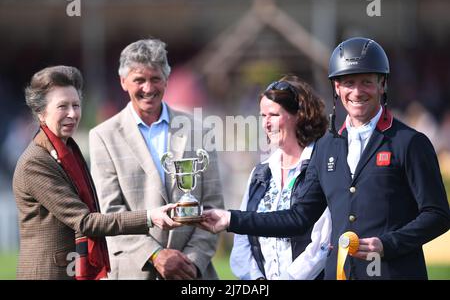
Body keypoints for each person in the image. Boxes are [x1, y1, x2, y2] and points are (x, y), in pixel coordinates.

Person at [199, 37, 450, 279]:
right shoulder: (326, 146)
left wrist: (387, 244)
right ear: (337, 88)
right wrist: (231, 219)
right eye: (349, 83)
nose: (357, 91)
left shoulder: (410, 142)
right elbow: (298, 217)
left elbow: (437, 215)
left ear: (382, 84)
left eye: (367, 82)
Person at [13, 65, 181, 280]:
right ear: (41, 112)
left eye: (76, 105)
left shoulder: (68, 151)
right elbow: (85, 222)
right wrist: (150, 217)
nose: (72, 114)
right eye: (62, 106)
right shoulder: (36, 162)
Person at [89, 38, 224, 280]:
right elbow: (110, 213)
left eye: (155, 79)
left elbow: (213, 206)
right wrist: (156, 256)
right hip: (135, 271)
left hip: (192, 275)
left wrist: (192, 262)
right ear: (123, 82)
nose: (148, 88)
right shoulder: (103, 136)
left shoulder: (200, 131)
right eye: (139, 80)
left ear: (167, 80)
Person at [230, 75, 331, 280]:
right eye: (262, 115)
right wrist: (256, 279)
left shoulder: (321, 165)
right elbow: (242, 239)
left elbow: (322, 243)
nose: (266, 123)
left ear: (299, 115)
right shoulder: (260, 172)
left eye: (274, 115)